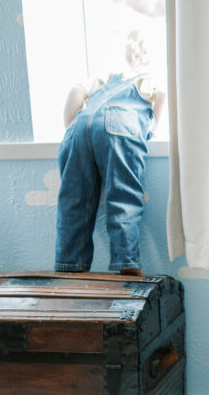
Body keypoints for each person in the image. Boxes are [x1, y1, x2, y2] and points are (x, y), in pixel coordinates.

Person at [54, 31, 166, 275]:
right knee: (123, 198)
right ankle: (126, 263)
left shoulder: (104, 76)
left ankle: (68, 266)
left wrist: (72, 128)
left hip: (80, 126)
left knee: (73, 203)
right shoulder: (149, 75)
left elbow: (75, 93)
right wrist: (151, 127)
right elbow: (160, 97)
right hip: (121, 124)